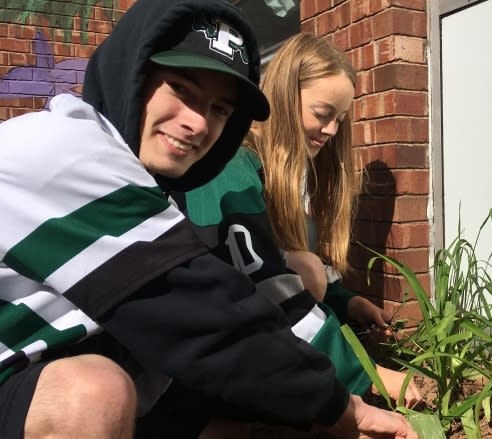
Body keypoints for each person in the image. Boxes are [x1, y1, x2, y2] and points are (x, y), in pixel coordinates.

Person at [0, 1, 417, 438]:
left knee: (232, 416)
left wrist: (340, 317)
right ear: (133, 71)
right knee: (90, 394)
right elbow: (202, 312)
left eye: (220, 109)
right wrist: (343, 402)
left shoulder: (155, 185)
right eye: (181, 89)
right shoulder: (64, 151)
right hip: (32, 375)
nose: (198, 123)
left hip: (59, 367)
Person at [247, 32, 422, 404]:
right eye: (323, 115)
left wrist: (348, 302)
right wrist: (364, 376)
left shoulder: (300, 172)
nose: (332, 130)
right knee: (306, 269)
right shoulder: (245, 165)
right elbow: (266, 276)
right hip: (241, 333)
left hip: (276, 325)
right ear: (283, 93)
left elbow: (301, 263)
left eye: (340, 119)